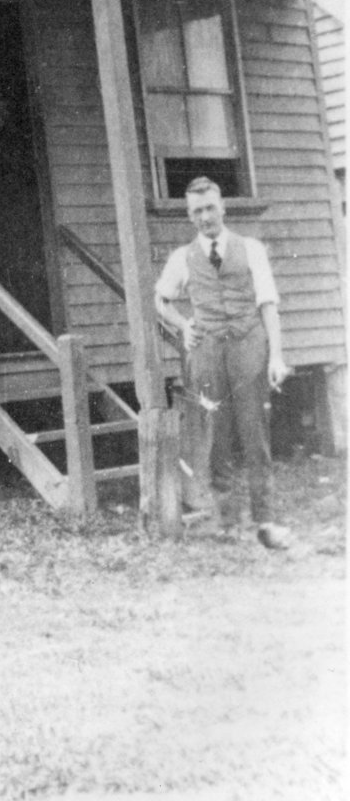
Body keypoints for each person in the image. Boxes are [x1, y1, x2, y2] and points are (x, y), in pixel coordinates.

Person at [155, 175, 291, 549]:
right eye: (196, 211)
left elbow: (268, 304)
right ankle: (228, 522)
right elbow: (161, 300)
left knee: (255, 434)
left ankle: (266, 521)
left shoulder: (251, 249)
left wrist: (276, 356)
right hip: (208, 352)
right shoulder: (182, 258)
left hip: (249, 348)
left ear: (223, 208)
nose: (205, 217)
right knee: (217, 436)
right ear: (189, 216)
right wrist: (184, 325)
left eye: (210, 208)